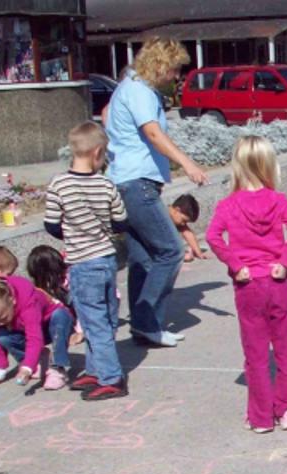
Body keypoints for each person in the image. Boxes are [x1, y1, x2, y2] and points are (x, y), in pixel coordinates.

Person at [105, 38, 207, 349]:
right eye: (175, 70)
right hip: (136, 183)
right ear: (161, 65)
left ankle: (142, 325)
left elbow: (108, 112)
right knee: (170, 251)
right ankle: (148, 320)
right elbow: (152, 132)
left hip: (129, 180)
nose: (176, 76)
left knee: (143, 258)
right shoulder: (139, 90)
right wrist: (187, 164)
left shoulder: (131, 87)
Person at [206, 136, 287, 435]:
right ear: (268, 165)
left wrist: (236, 265)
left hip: (249, 283)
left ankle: (262, 417)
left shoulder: (228, 205)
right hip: (277, 281)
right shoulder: (279, 201)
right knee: (286, 349)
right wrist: (285, 260)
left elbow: (213, 237)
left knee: (256, 353)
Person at [44, 120, 129, 400]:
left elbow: (52, 225)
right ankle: (96, 368)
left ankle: (111, 377)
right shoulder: (105, 184)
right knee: (102, 317)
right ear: (97, 153)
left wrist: (72, 229)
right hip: (105, 259)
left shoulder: (59, 184)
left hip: (82, 261)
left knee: (94, 321)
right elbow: (120, 221)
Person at [0, 277, 73, 393]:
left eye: (3, 318)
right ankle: (37, 360)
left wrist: (27, 367)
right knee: (2, 336)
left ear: (12, 300)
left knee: (60, 316)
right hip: (28, 328)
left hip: (51, 324)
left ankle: (58, 370)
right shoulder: (1, 309)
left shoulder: (29, 305)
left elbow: (34, 338)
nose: (0, 323)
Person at [169, 194, 207, 263]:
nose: (183, 224)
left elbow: (187, 233)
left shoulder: (175, 217)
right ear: (177, 210)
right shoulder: (162, 217)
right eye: (184, 220)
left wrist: (199, 253)